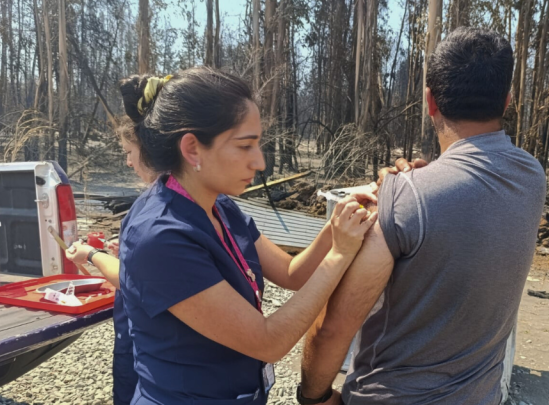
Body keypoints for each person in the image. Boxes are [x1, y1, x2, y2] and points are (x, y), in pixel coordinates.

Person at [299, 28, 547, 405]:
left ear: (429, 101)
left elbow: (334, 328)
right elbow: (468, 209)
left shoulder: (408, 197)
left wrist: (312, 397)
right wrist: (417, 185)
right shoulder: (532, 177)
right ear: (508, 100)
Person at [117, 66, 377, 405]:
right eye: (245, 146)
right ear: (192, 149)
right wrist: (339, 255)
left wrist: (335, 226)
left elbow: (291, 273)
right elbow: (268, 341)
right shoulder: (158, 236)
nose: (259, 162)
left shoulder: (218, 204)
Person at [66, 116, 158, 405]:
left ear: (149, 150)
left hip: (140, 338)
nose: (128, 162)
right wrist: (124, 252)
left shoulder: (155, 206)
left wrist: (93, 255)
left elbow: (133, 279)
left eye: (129, 153)